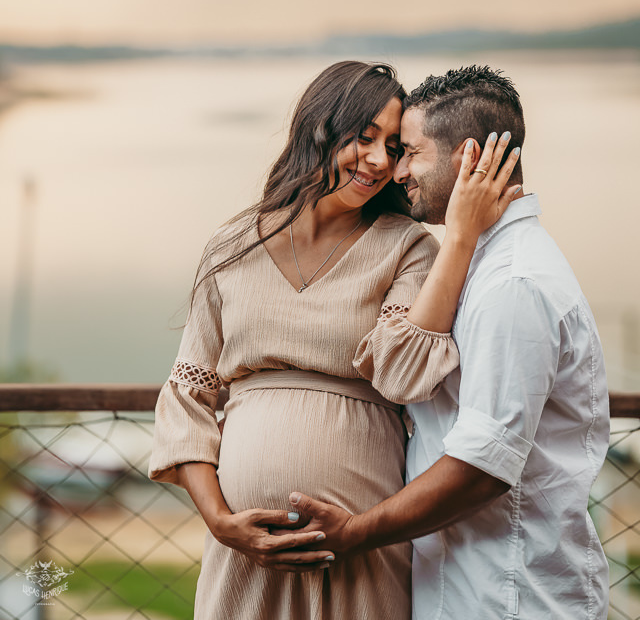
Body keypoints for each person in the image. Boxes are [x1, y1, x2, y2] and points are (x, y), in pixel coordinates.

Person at [148, 60, 520, 620]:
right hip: (243, 554)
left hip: (359, 544)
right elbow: (187, 400)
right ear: (319, 128)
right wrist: (221, 523)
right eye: (364, 137)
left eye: (393, 147)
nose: (380, 161)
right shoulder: (231, 246)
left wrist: (461, 237)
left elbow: (404, 371)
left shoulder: (409, 247)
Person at [287, 65, 610, 620]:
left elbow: (482, 466)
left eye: (410, 153)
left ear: (467, 158)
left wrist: (355, 532)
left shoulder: (514, 283)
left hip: (511, 596)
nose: (397, 171)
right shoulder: (478, 263)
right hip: (466, 588)